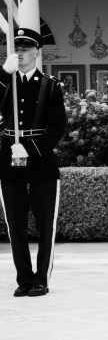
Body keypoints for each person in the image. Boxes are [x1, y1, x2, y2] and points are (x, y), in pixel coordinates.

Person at [1, 28, 67, 298]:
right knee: (15, 225)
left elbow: (57, 128)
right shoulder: (6, 82)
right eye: (18, 48)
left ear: (38, 54)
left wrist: (28, 148)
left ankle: (41, 279)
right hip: (8, 160)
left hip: (40, 162)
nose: (21, 52)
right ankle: (24, 279)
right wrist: (3, 75)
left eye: (27, 48)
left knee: (44, 224)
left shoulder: (50, 86)